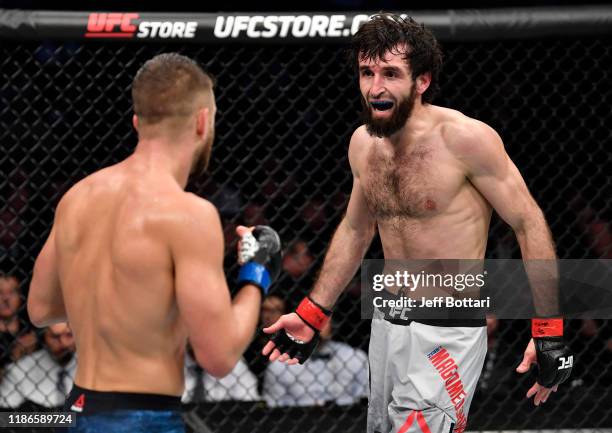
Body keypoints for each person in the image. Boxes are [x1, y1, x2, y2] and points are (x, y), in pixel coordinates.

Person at [262, 14, 573, 433]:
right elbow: (356, 230)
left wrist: (548, 328)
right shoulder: (363, 144)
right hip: (388, 323)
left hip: (448, 328)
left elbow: (528, 220)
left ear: (421, 81)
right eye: (366, 72)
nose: (375, 88)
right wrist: (314, 311)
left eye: (390, 73)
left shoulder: (465, 139)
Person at [27, 53, 281, 432]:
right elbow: (219, 355)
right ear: (202, 122)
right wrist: (256, 273)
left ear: (137, 122)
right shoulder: (188, 215)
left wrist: (122, 296)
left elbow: (42, 307)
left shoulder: (77, 198)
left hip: (78, 410)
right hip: (144, 417)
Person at [263, 318, 367, 407]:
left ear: (332, 323)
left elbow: (365, 400)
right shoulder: (279, 365)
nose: (316, 326)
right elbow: (273, 409)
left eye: (322, 320)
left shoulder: (355, 357)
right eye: (311, 320)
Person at [0, 323, 75, 409]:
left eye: (69, 335)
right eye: (55, 337)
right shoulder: (19, 370)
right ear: (44, 337)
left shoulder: (89, 365)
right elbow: (5, 418)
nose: (63, 343)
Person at [0, 274, 38, 370]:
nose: (5, 298)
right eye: (0, 292)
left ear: (21, 296)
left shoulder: (34, 330)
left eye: (12, 292)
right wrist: (13, 358)